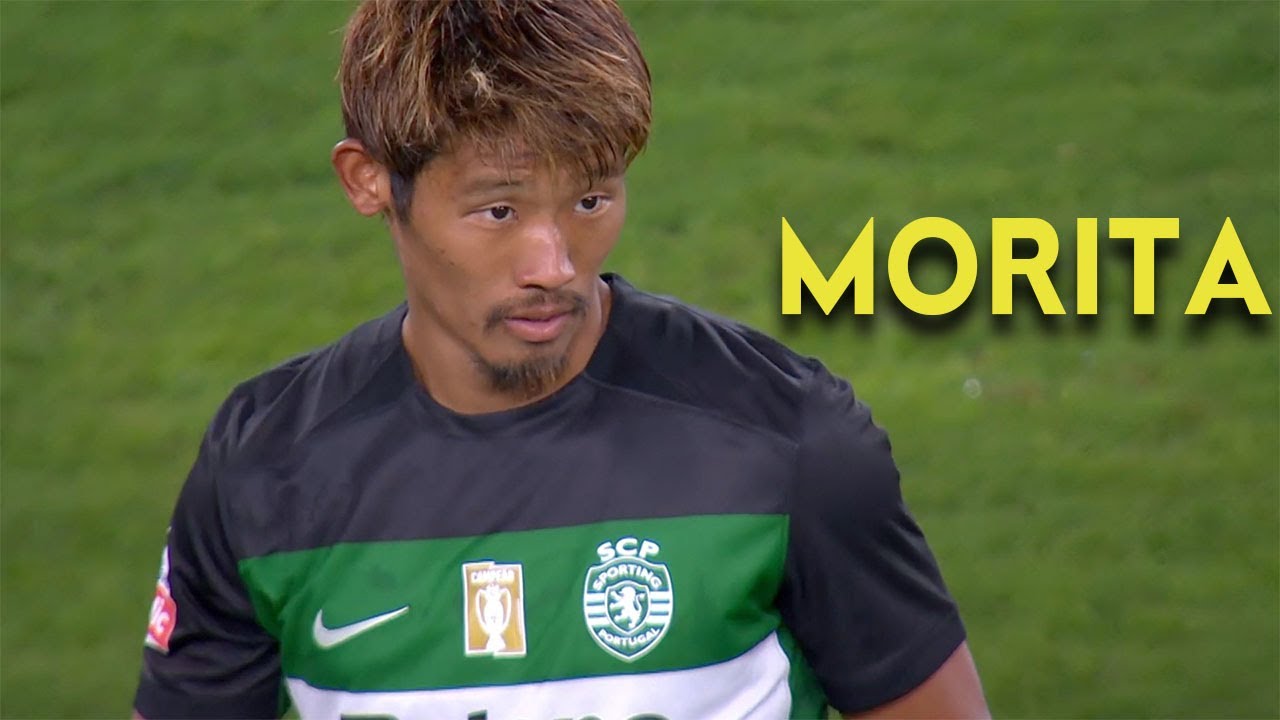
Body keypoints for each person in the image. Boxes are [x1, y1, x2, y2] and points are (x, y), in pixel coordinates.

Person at [133, 1, 989, 718]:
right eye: (499, 211)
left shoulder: (788, 443)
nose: (554, 265)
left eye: (590, 199)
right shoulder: (266, 469)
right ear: (369, 180)